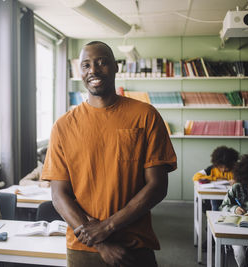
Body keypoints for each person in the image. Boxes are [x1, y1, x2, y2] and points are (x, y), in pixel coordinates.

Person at [41, 41, 177, 267]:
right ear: (80, 72)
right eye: (85, 65)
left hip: (134, 245)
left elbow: (157, 186)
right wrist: (100, 243)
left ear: (116, 67)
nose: (93, 70)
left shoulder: (146, 116)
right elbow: (59, 195)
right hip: (83, 248)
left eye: (101, 63)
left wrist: (107, 227)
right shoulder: (63, 126)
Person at [192, 145, 239, 210]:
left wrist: (237, 181)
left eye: (226, 167)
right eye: (221, 167)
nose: (223, 170)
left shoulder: (236, 169)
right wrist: (215, 179)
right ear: (216, 164)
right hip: (215, 195)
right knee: (214, 201)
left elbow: (245, 180)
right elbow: (196, 176)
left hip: (231, 196)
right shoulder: (212, 169)